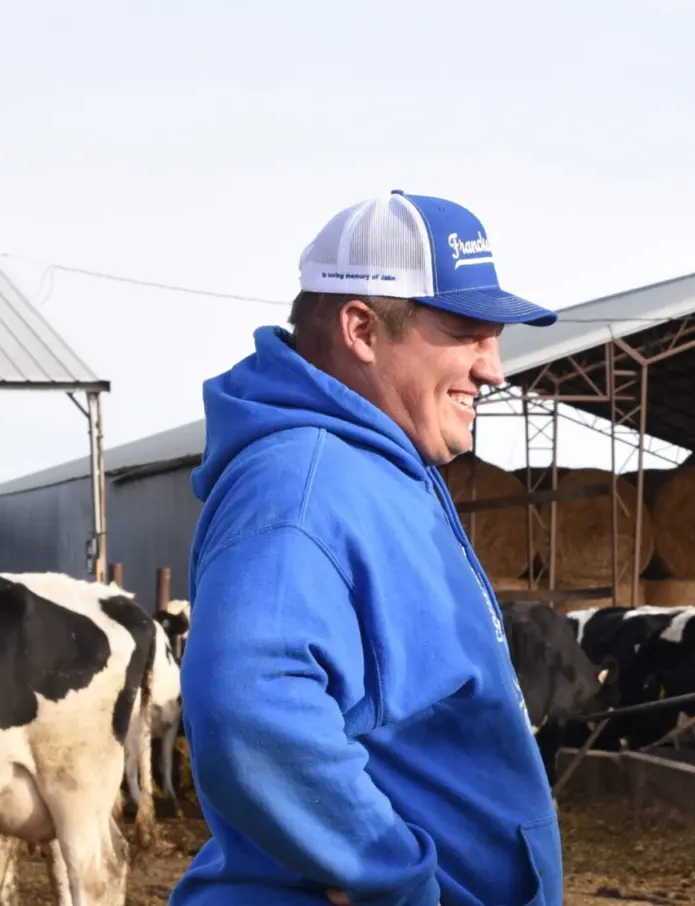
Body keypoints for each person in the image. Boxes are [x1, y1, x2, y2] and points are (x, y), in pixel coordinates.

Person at [172, 191, 563, 906]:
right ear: (361, 329)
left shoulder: (380, 469)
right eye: (468, 333)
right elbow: (248, 704)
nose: (495, 370)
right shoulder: (301, 481)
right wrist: (392, 877)